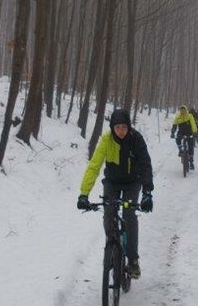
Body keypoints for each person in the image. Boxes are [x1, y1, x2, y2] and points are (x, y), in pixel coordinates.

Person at [77, 109, 153, 279]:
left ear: (128, 127)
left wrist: (147, 192)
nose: (120, 130)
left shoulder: (136, 139)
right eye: (117, 127)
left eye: (124, 127)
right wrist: (84, 194)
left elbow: (145, 164)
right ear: (112, 127)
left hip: (132, 182)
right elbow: (94, 166)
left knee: (129, 214)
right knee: (108, 213)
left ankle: (132, 260)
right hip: (112, 182)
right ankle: (112, 246)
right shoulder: (106, 139)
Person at [171, 105, 198, 169]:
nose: (182, 111)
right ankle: (180, 150)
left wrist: (194, 132)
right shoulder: (177, 117)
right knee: (177, 139)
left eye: (184, 110)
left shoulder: (189, 116)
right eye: (181, 110)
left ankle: (191, 162)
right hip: (181, 133)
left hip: (189, 133)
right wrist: (172, 133)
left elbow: (193, 124)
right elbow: (174, 125)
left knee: (191, 146)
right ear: (180, 110)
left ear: (186, 110)